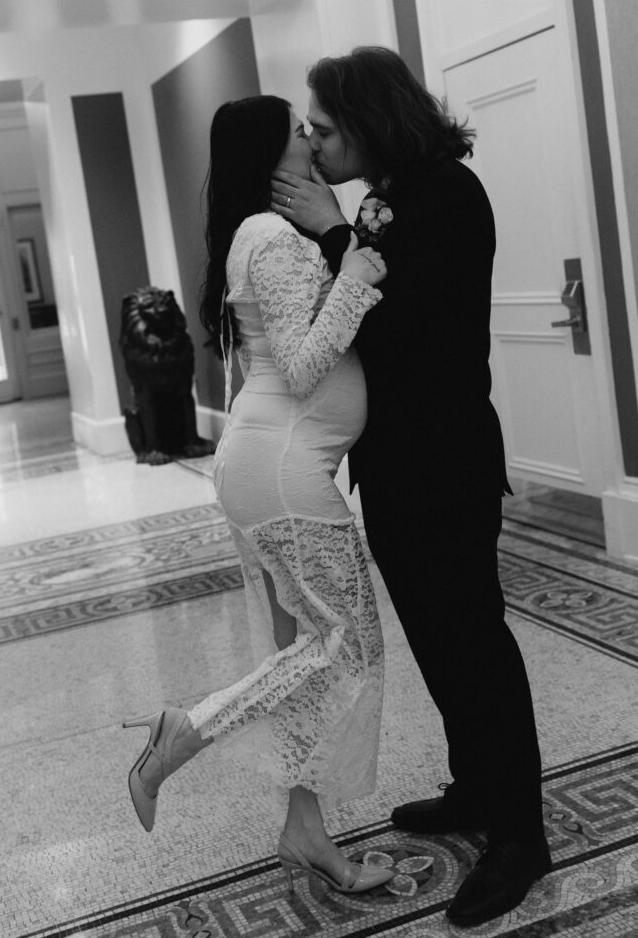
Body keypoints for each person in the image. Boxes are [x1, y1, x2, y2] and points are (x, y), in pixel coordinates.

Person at [270, 46, 551, 928]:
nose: (312, 146)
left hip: (447, 461)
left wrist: (330, 231)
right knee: (436, 640)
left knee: (474, 644)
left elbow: (400, 322)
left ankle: (520, 836)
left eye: (321, 128)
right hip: (394, 462)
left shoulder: (447, 194)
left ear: (367, 119)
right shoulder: (386, 197)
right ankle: (476, 787)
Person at [123, 95, 394, 896]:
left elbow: (269, 363)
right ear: (269, 153)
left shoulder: (265, 232)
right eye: (297, 131)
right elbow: (308, 364)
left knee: (306, 654)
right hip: (283, 474)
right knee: (347, 648)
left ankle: (305, 832)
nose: (310, 138)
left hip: (269, 464)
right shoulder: (272, 238)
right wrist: (354, 272)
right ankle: (185, 731)